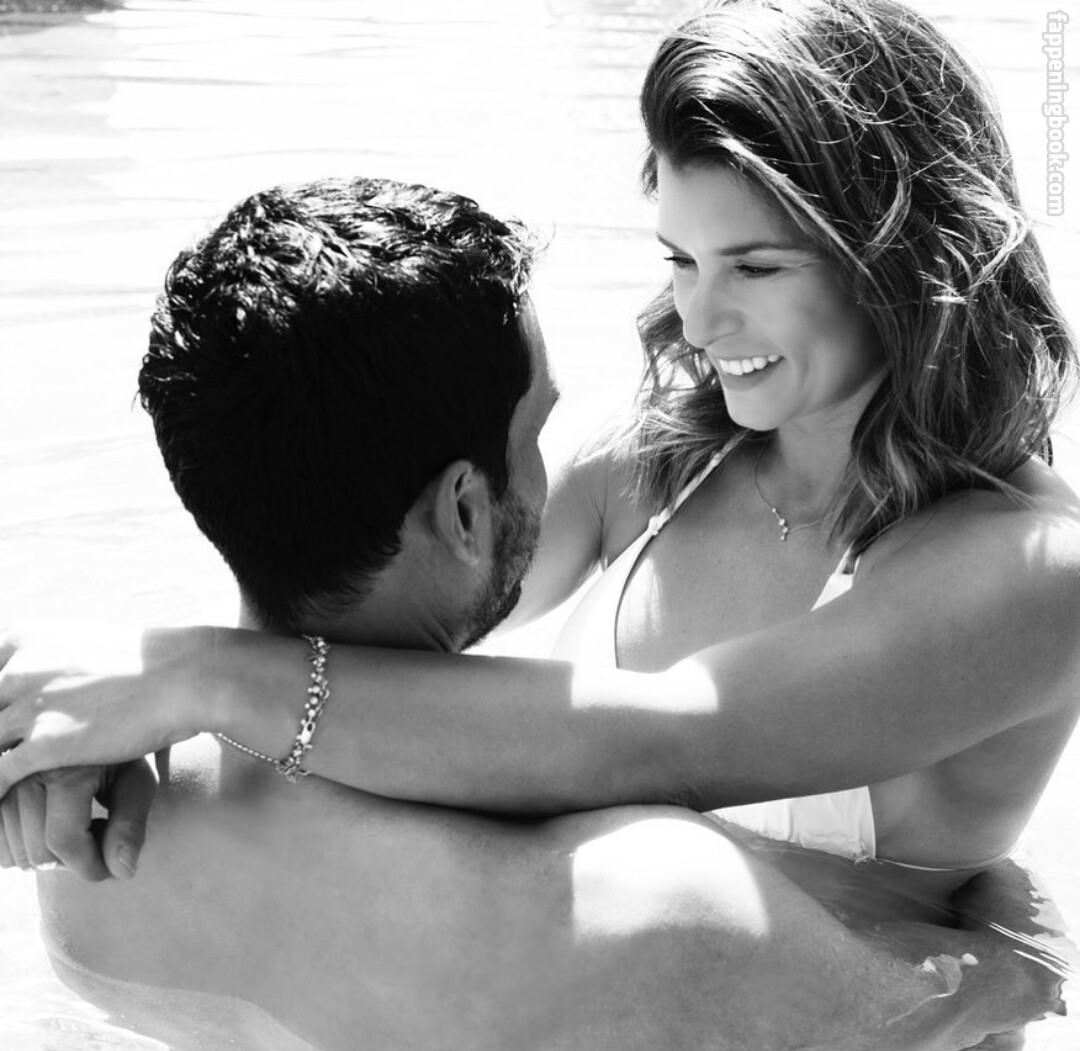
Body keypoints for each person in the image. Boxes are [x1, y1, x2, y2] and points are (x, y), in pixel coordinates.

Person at [1, 0, 1079, 888]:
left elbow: (667, 743)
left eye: (754, 268)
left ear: (901, 257)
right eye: (680, 260)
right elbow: (369, 619)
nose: (700, 322)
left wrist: (193, 676)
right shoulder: (661, 453)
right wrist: (111, 735)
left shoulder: (1031, 571)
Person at [6, 174, 1059, 1051]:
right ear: (467, 510)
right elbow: (930, 1010)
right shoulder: (650, 900)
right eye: (538, 432)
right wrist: (1010, 941)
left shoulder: (89, 840)